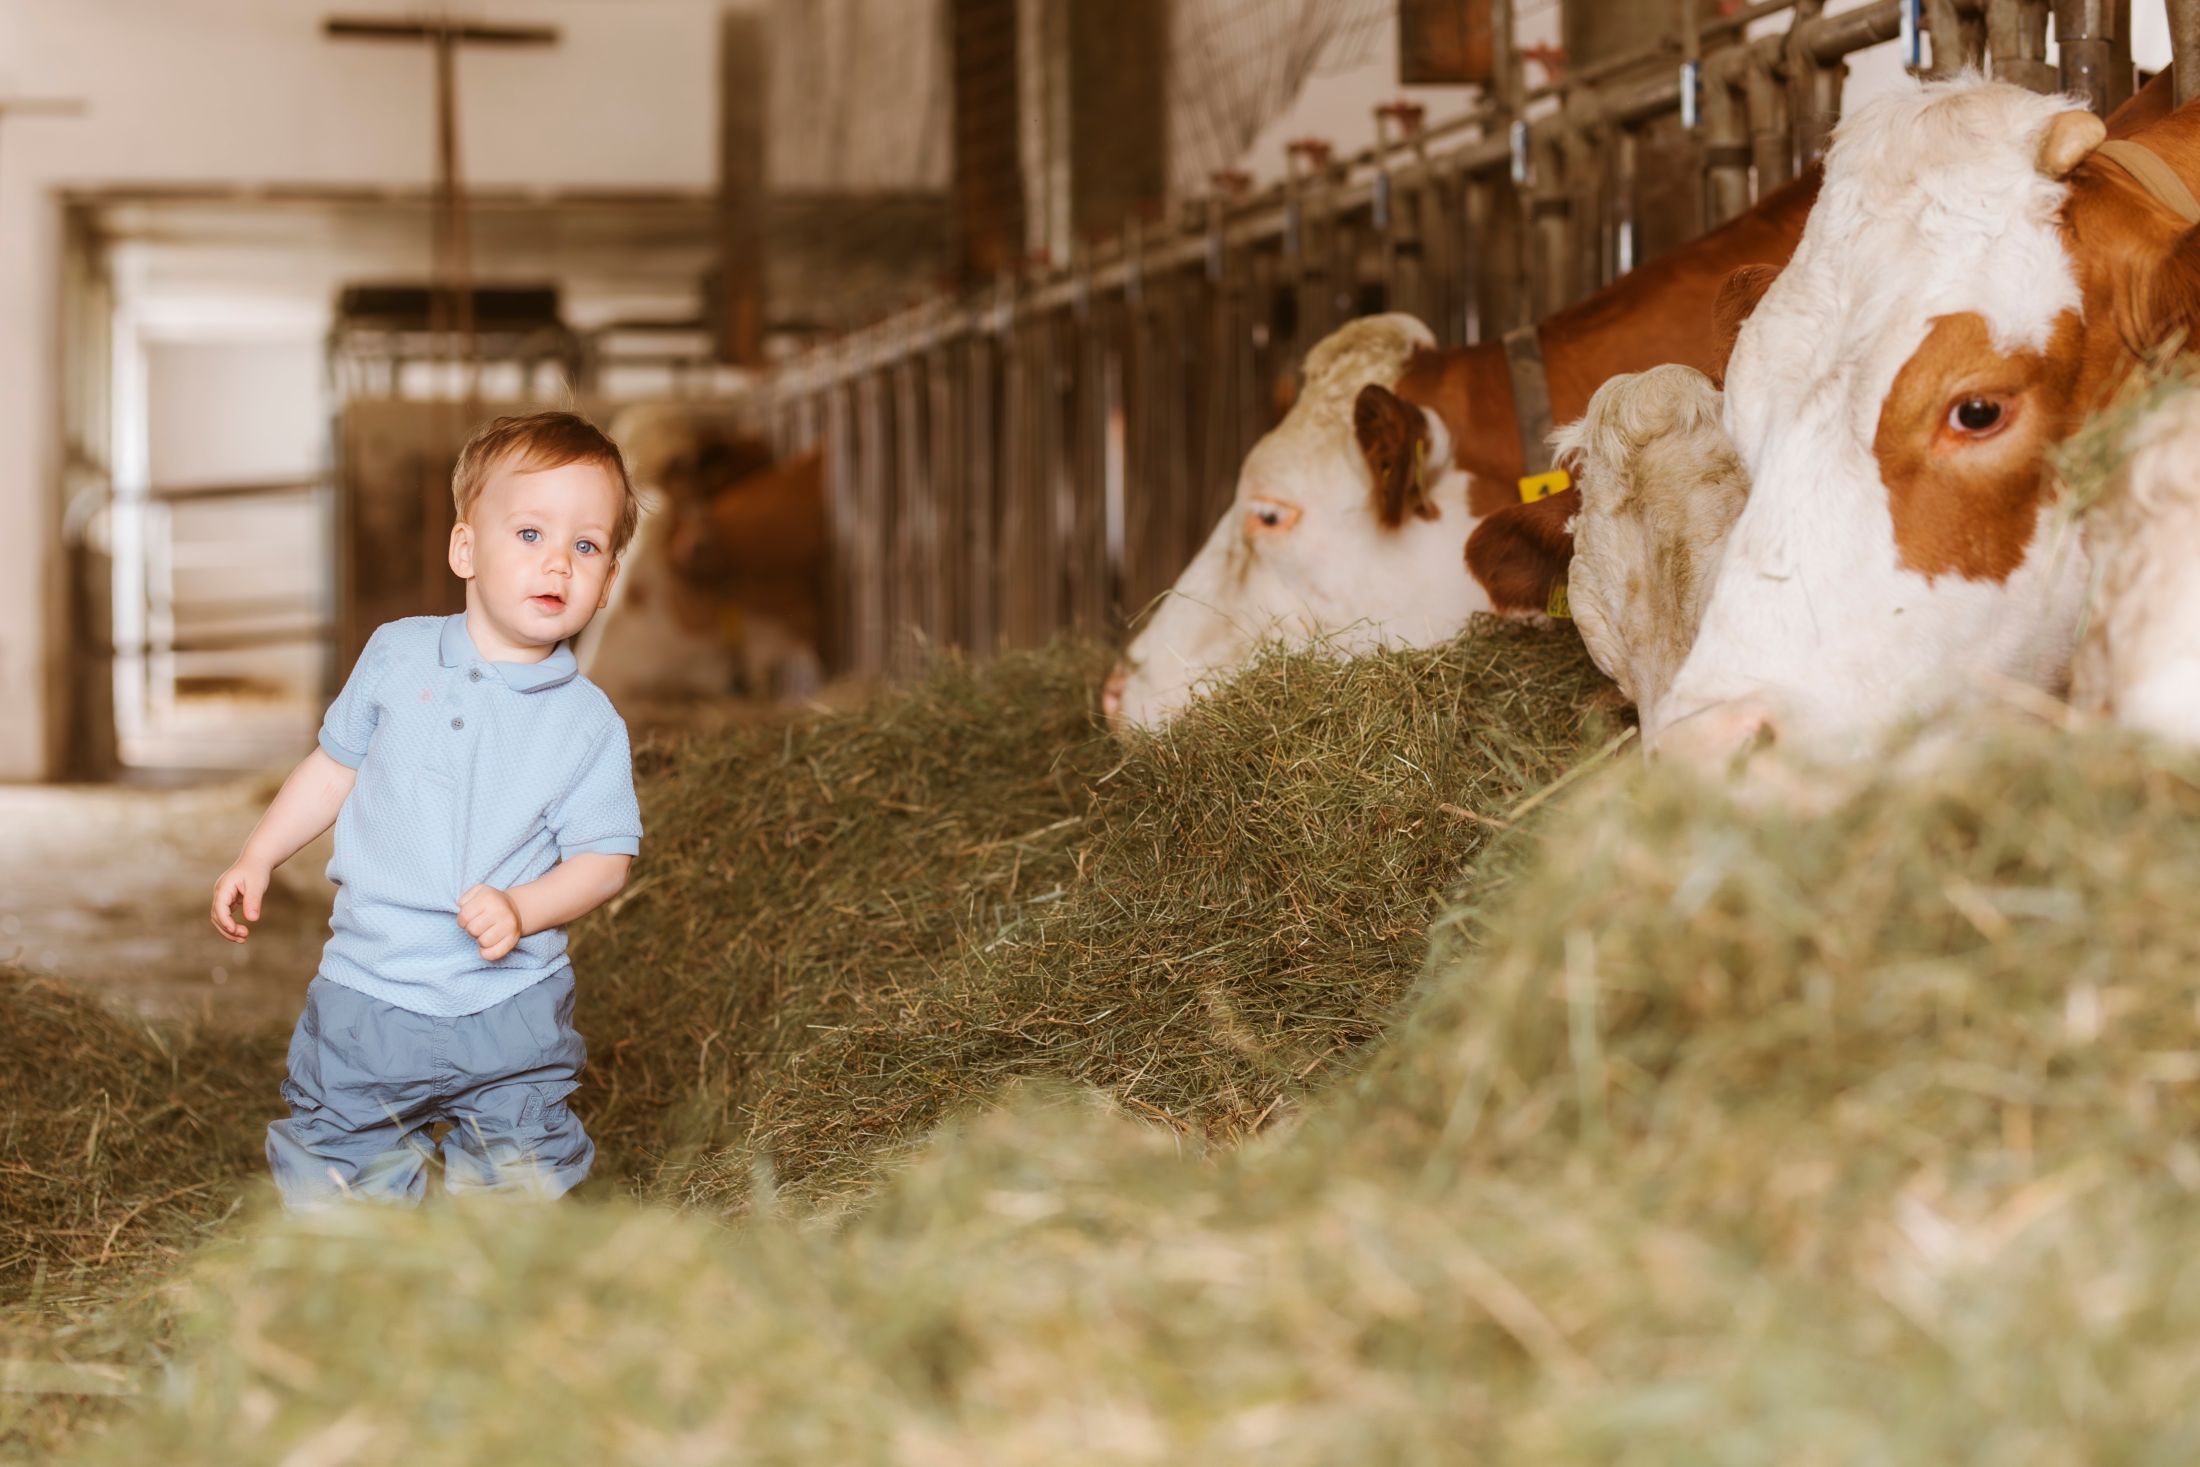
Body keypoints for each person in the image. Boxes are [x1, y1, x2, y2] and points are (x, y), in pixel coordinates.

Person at [210, 411, 645, 1207]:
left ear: (609, 578)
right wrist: (258, 854)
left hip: (509, 1006)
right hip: (370, 990)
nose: (558, 561)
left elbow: (604, 860)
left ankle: (488, 1298)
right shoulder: (396, 652)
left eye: (587, 546)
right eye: (529, 533)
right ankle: (356, 1290)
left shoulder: (589, 723)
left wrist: (523, 905)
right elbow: (332, 769)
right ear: (465, 549)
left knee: (521, 1176)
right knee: (338, 1164)